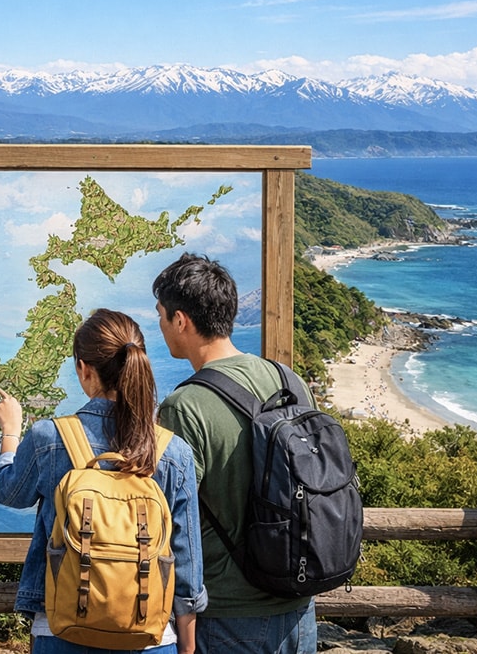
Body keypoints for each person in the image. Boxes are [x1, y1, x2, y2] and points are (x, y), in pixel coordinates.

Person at [0, 308, 207, 654]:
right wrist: (186, 644)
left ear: (83, 369)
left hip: (62, 629)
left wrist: (10, 433)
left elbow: (9, 492)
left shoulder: (50, 437)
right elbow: (186, 560)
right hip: (149, 633)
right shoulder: (172, 451)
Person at [152, 253, 317, 654]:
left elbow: (168, 519)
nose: (158, 325)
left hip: (231, 615)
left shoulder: (183, 406)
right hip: (300, 607)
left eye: (160, 314)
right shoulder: (288, 379)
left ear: (181, 320)